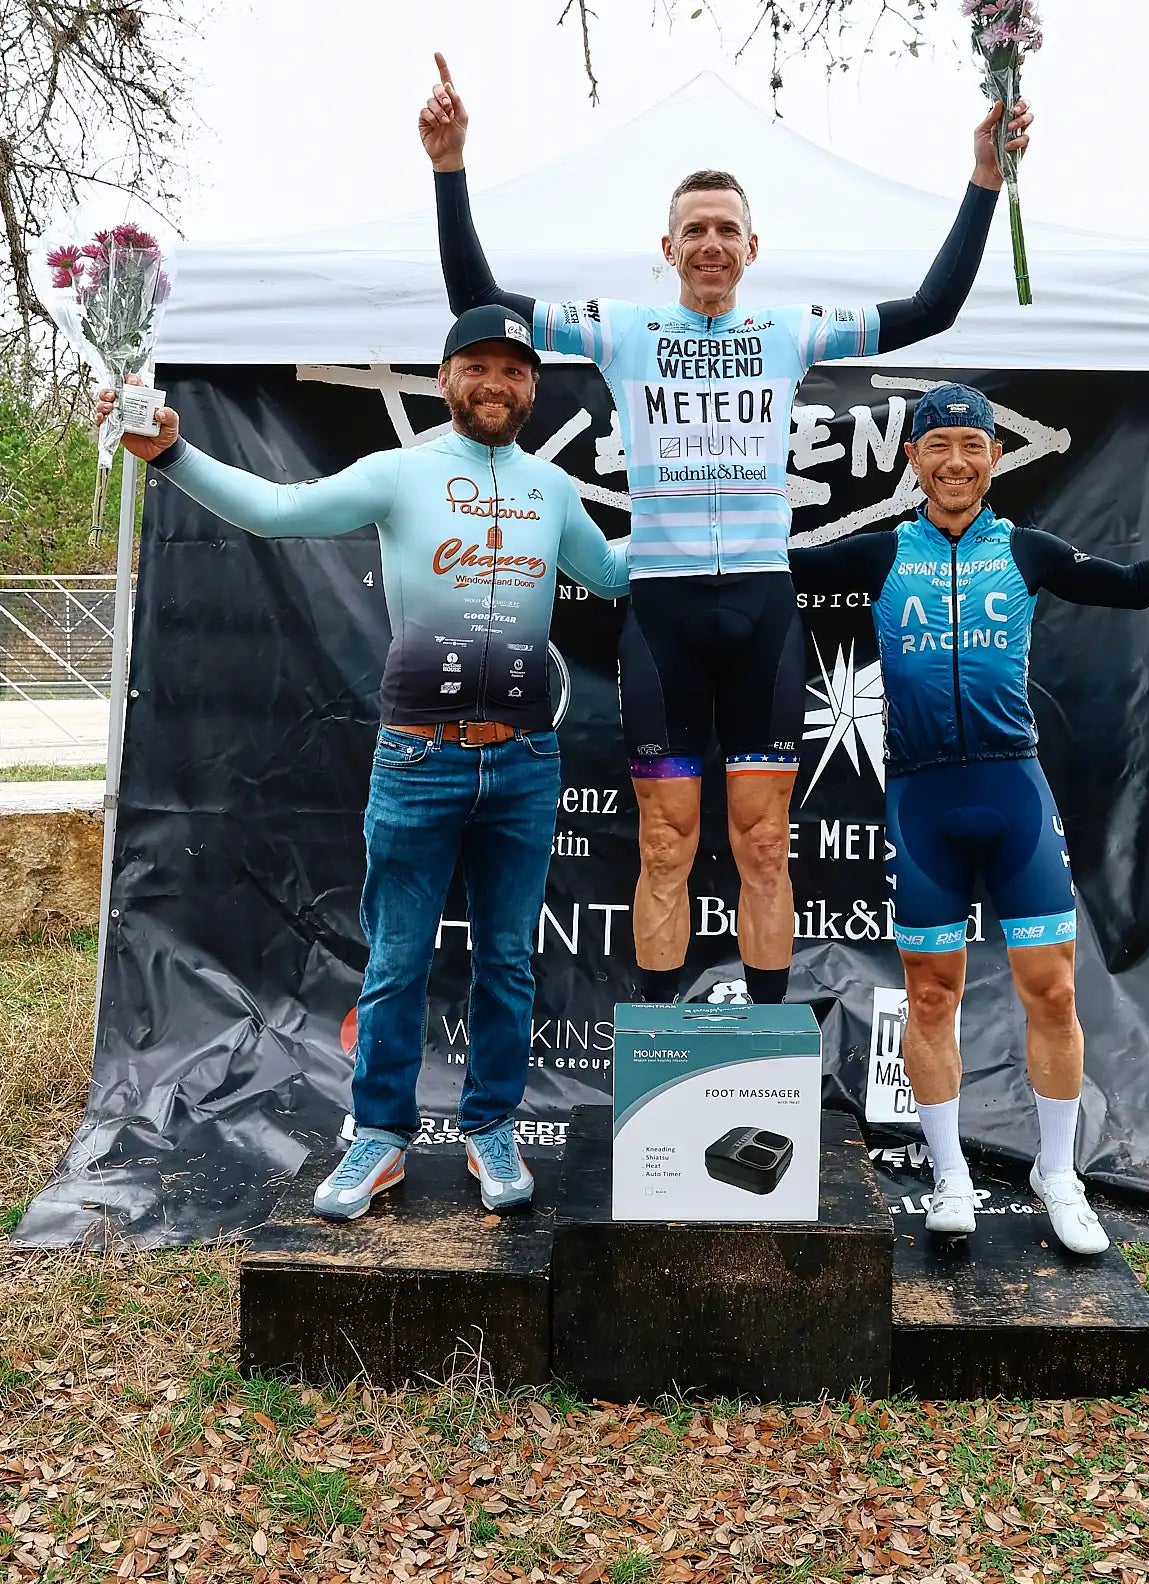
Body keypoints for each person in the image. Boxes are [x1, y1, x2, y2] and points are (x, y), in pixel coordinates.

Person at [421, 59, 1032, 1006]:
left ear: (752, 247)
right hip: (662, 613)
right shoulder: (622, 330)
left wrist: (984, 179)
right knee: (664, 841)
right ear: (667, 246)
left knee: (762, 839)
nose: (711, 244)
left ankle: (764, 1037)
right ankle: (663, 1038)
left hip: (760, 609)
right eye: (695, 230)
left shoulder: (791, 330)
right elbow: (480, 298)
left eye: (726, 230)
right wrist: (449, 167)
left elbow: (930, 311)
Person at [97, 306, 627, 1219]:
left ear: (533, 388)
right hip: (418, 758)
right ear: (445, 378)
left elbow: (611, 575)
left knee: (507, 963)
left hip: (523, 761)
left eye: (513, 370)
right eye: (477, 366)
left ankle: (491, 1128)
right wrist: (173, 453)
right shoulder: (399, 471)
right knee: (396, 961)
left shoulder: (552, 489)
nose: (495, 383)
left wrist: (711, 516)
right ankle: (379, 1136)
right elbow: (275, 513)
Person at [790, 383, 1149, 1253]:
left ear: (994, 458)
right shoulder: (879, 554)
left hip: (1012, 791)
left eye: (971, 445)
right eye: (937, 446)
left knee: (1053, 991)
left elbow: (1132, 587)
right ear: (911, 459)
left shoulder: (1026, 550)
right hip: (922, 800)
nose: (954, 461)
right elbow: (766, 571)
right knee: (930, 995)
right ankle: (948, 1175)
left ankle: (1056, 1173)